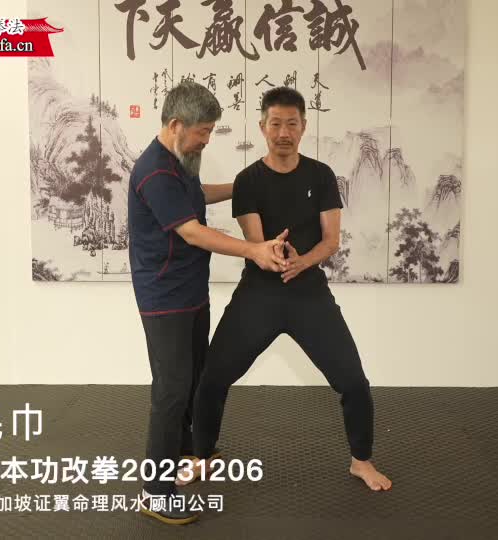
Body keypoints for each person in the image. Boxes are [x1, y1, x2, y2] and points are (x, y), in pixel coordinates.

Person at [184, 86, 392, 492]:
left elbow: (331, 240)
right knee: (212, 378)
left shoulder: (321, 175)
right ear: (263, 127)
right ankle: (202, 455)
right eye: (276, 123)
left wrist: (303, 260)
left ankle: (361, 461)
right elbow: (256, 240)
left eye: (291, 124)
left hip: (309, 294)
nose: (283, 132)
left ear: (304, 127)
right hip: (258, 294)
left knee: (353, 381)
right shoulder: (248, 180)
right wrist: (277, 255)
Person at [127, 81, 288, 525]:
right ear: (176, 125)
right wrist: (253, 250)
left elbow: (198, 197)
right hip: (164, 298)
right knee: (171, 391)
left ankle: (185, 452)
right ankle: (155, 492)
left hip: (190, 292)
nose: (206, 140)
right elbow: (192, 231)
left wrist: (244, 184)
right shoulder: (155, 172)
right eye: (202, 132)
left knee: (194, 377)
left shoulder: (179, 163)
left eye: (211, 131)